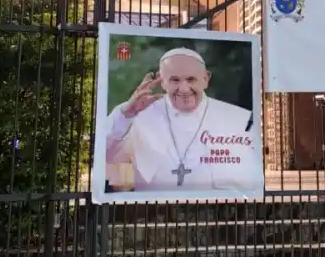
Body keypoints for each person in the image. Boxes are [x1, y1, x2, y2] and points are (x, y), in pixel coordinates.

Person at [105, 47, 260, 192]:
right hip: (152, 209)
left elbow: (250, 183)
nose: (184, 89)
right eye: (175, 80)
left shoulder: (240, 120)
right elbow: (108, 159)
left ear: (206, 78)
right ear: (162, 80)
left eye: (191, 79)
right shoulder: (139, 117)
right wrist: (126, 113)